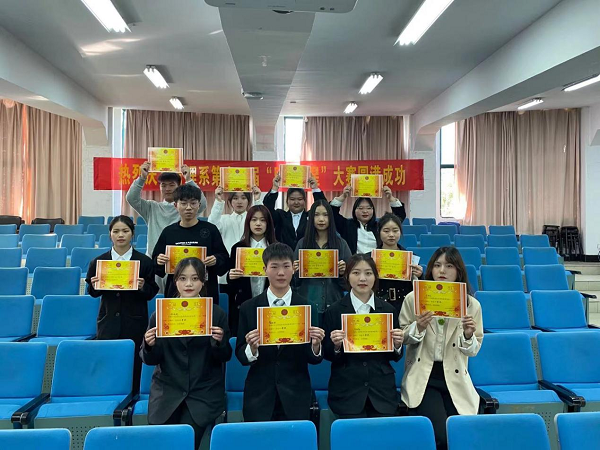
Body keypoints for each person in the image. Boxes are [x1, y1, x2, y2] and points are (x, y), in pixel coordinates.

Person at [141, 258, 231, 450]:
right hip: (167, 393)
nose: (189, 284)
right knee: (165, 444)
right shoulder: (161, 314)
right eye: (183, 278)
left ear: (203, 281)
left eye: (195, 278)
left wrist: (219, 343)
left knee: (185, 442)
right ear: (175, 281)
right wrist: (149, 345)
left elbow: (225, 357)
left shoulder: (216, 314)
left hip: (202, 393)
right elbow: (149, 359)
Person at [400, 247, 483, 450]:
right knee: (442, 436)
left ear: (459, 271)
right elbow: (402, 338)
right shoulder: (413, 298)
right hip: (425, 376)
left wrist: (468, 335)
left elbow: (473, 350)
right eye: (437, 265)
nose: (442, 271)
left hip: (455, 377)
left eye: (449, 266)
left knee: (461, 435)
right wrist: (418, 327)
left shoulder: (471, 305)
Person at [235, 243, 325, 422]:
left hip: (296, 394)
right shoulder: (248, 307)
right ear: (264, 270)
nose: (281, 273)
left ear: (294, 269)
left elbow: (314, 359)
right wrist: (252, 348)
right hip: (259, 395)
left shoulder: (307, 307)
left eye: (286, 266)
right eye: (274, 267)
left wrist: (315, 346)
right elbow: (241, 355)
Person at [322, 253, 404, 418]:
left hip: (382, 392)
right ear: (347, 276)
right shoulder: (334, 311)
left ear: (375, 277)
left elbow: (394, 356)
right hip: (346, 391)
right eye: (356, 273)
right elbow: (327, 354)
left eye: (368, 273)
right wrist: (336, 346)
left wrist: (397, 345)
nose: (362, 278)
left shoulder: (388, 310)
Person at [86, 215, 159, 391]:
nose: (120, 235)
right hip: (108, 321)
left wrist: (142, 287)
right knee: (108, 362)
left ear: (132, 233)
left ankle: (133, 397)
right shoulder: (99, 262)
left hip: (134, 321)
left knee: (135, 363)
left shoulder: (144, 261)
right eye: (116, 231)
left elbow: (152, 292)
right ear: (110, 234)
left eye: (125, 231)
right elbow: (93, 293)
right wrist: (95, 285)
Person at [152, 184, 229, 302]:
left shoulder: (210, 230)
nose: (188, 207)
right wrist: (159, 260)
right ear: (175, 205)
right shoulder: (168, 232)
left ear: (199, 205)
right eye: (183, 203)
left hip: (206, 290)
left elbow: (224, 259)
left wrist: (216, 260)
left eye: (193, 203)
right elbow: (156, 265)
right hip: (175, 291)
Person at [126, 162, 207, 258]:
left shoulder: (186, 208)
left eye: (171, 185)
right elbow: (131, 198)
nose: (167, 189)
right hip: (155, 259)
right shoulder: (151, 207)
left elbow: (202, 203)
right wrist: (142, 178)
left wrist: (189, 180)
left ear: (179, 187)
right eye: (163, 185)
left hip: (180, 258)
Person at [293, 200, 352, 327]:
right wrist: (295, 272)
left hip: (334, 304)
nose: (321, 219)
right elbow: (294, 283)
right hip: (308, 304)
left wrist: (343, 273)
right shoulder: (302, 244)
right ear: (311, 218)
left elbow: (350, 284)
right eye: (316, 215)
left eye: (325, 215)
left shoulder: (341, 244)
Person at [226, 205, 276, 335]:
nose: (258, 223)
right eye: (254, 220)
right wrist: (230, 276)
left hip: (270, 304)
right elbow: (231, 283)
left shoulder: (276, 248)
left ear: (268, 223)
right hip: (244, 303)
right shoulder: (238, 248)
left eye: (263, 220)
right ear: (248, 222)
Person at [208, 185, 263, 287]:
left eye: (243, 198)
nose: (239, 202)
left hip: (250, 265)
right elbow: (211, 225)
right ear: (230, 201)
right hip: (227, 268)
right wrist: (218, 201)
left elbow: (264, 220)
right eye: (235, 198)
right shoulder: (224, 219)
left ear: (248, 201)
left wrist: (257, 200)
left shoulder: (254, 221)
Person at [330, 185, 407, 255]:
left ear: (373, 210)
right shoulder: (346, 225)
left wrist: (390, 198)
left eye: (369, 208)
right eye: (361, 208)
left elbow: (398, 217)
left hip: (376, 262)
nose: (365, 211)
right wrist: (343, 197)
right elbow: (331, 213)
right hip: (354, 262)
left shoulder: (379, 226)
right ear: (354, 210)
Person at [263, 172, 327, 251]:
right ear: (287, 201)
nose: (296, 202)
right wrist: (275, 188)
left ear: (305, 201)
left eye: (300, 199)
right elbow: (267, 208)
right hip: (283, 256)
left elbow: (323, 207)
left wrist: (315, 188)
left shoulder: (311, 216)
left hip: (307, 255)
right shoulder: (280, 216)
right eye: (292, 199)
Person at [375, 213, 423, 314]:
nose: (391, 235)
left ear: (400, 232)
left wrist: (419, 276)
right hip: (379, 303)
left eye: (395, 230)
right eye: (386, 231)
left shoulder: (411, 258)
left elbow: (419, 288)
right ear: (379, 232)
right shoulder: (370, 258)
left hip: (405, 304)